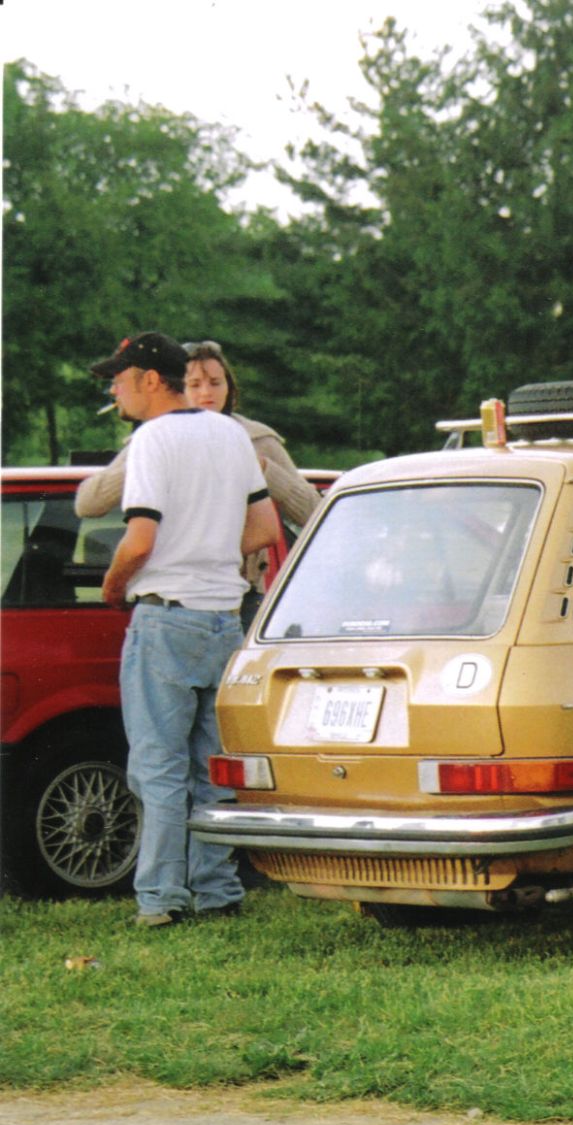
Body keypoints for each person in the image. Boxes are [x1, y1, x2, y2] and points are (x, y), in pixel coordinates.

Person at [89, 332, 281, 926]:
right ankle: (218, 890)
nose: (114, 389)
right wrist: (213, 552)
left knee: (157, 767)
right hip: (224, 619)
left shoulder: (151, 439)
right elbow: (266, 527)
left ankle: (161, 899)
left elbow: (140, 538)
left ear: (150, 379)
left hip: (165, 618)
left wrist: (113, 585)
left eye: (118, 378)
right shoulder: (229, 433)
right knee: (210, 768)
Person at [77, 339, 319, 624]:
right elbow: (88, 502)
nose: (206, 393)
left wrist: (265, 470)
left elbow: (314, 514)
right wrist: (157, 456)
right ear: (178, 387)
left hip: (240, 593)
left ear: (229, 388)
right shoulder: (153, 438)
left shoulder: (254, 439)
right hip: (175, 597)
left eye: (216, 383)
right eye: (194, 384)